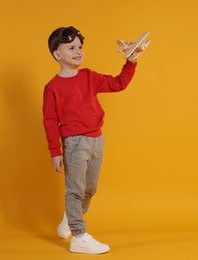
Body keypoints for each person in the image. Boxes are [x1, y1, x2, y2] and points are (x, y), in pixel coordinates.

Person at [42, 26, 137, 254]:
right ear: (58, 54)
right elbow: (49, 120)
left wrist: (130, 62)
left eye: (80, 47)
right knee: (74, 190)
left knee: (89, 190)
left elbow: (118, 84)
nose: (78, 51)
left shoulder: (89, 77)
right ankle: (79, 236)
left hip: (96, 139)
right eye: (72, 47)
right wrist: (55, 150)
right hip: (74, 143)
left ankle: (70, 217)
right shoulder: (52, 87)